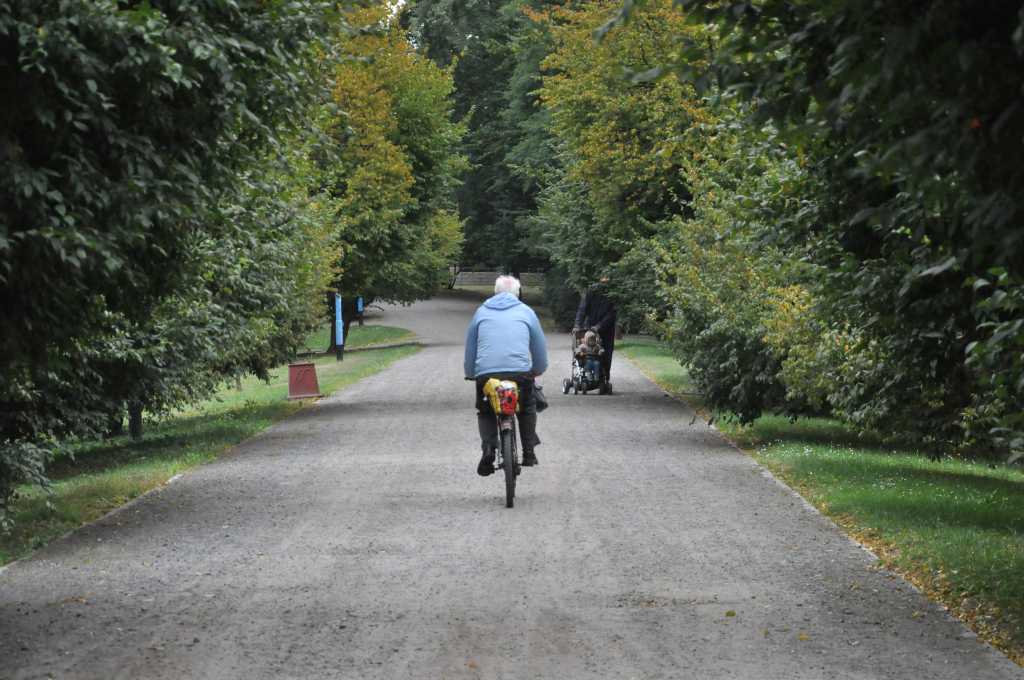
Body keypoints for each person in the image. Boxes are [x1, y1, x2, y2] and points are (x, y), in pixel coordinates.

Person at [464, 275, 549, 476]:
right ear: (517, 293)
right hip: (520, 374)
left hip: (487, 375)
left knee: (485, 410)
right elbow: (539, 348)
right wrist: (538, 369)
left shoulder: (481, 312)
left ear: (495, 292)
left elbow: (471, 348)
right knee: (527, 406)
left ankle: (488, 449)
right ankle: (528, 451)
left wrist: (471, 373)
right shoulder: (527, 312)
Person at [573, 276, 617, 385]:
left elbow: (611, 314)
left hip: (606, 329)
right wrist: (578, 325)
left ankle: (604, 377)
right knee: (585, 350)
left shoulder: (613, 294)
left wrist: (599, 326)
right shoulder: (591, 291)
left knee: (605, 353)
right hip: (590, 328)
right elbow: (582, 309)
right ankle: (585, 373)